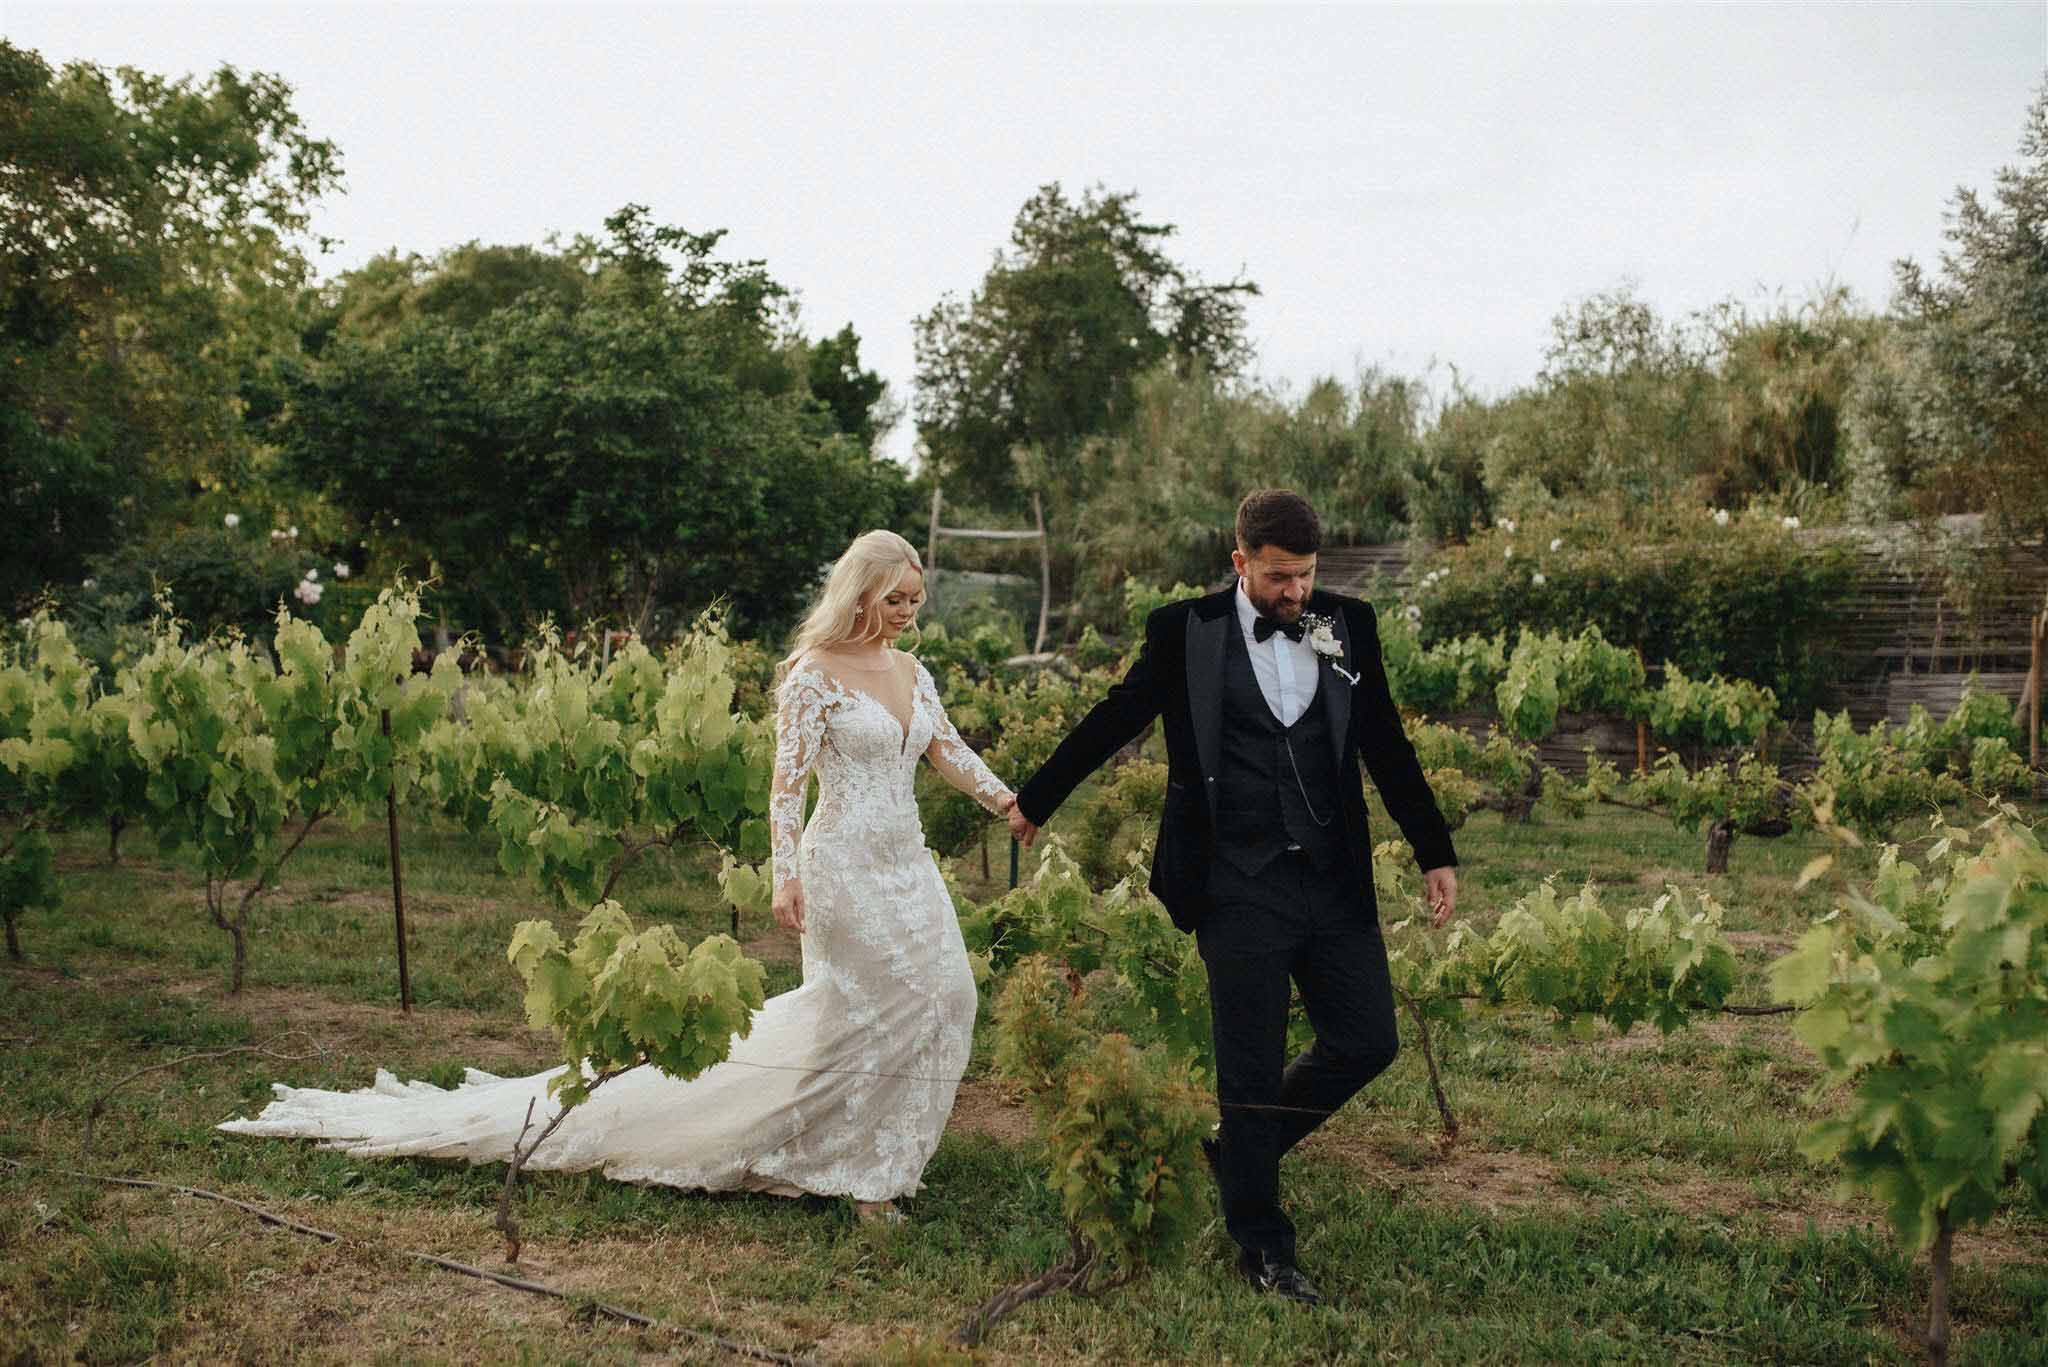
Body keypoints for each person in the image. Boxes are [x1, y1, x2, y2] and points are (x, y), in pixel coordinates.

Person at [222, 530, 1015, 1222]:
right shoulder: (814, 671)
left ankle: (863, 1151)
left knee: (949, 992)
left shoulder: (914, 672)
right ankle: (865, 1177)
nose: (911, 611)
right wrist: (784, 876)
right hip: (841, 861)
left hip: (905, 860)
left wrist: (1011, 800)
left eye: (917, 599)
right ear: (863, 593)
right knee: (865, 1008)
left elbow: (946, 750)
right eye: (898, 598)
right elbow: (786, 783)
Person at [1006, 490, 1458, 1304]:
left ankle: (1236, 1153)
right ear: (1240, 561)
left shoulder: (1349, 624)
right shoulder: (1186, 631)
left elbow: (1385, 739)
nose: (1297, 594)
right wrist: (1037, 797)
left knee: (1366, 1038)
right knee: (1246, 1066)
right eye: (1280, 577)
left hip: (1330, 873)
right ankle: (1263, 1245)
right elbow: (1118, 716)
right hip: (1234, 879)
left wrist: (1434, 849)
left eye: (1307, 576)